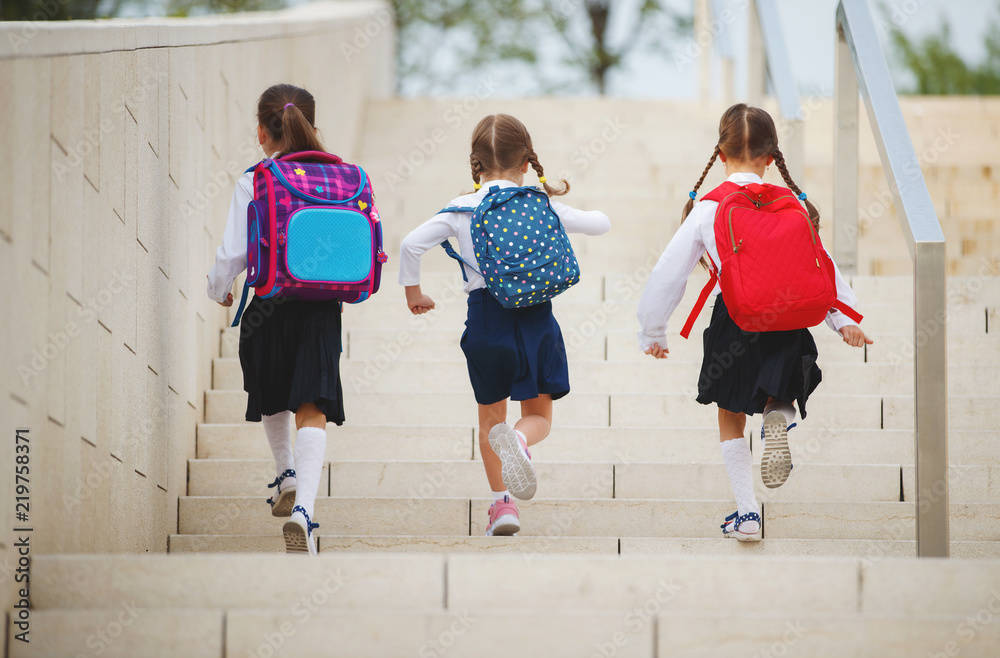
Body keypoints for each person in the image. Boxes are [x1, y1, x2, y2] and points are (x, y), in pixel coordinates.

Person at [636, 103, 873, 541]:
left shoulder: (710, 208)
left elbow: (669, 271)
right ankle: (775, 418)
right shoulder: (792, 206)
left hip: (736, 319)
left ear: (721, 155)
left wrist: (653, 330)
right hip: (789, 318)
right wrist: (844, 319)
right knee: (778, 394)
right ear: (770, 156)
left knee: (729, 415)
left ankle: (747, 515)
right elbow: (820, 266)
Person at [398, 113, 610, 536]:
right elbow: (599, 224)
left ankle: (503, 508)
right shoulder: (540, 202)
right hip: (537, 322)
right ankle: (521, 440)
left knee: (488, 421)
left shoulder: (459, 210)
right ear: (526, 162)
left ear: (475, 165)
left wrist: (414, 295)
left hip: (485, 322)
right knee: (538, 419)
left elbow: (409, 245)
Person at [207, 83, 352, 555]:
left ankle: (285, 471)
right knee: (313, 406)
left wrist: (218, 288)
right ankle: (304, 512)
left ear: (261, 131)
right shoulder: (341, 178)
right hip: (321, 311)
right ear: (312, 125)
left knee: (272, 390)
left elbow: (233, 253)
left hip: (268, 307)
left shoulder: (255, 179)